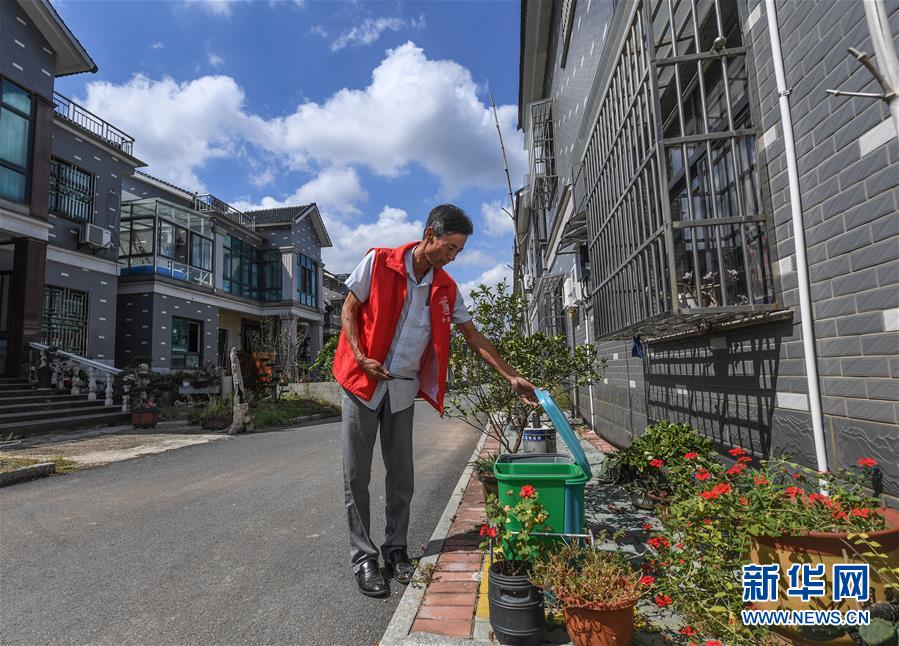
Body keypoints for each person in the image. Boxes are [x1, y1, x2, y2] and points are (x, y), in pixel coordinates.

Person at [333, 204, 538, 597]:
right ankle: (363, 558)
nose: (452, 257)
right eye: (450, 247)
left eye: (458, 251)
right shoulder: (379, 262)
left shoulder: (446, 288)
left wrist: (511, 376)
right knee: (356, 474)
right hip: (361, 382)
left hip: (402, 389)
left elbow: (474, 337)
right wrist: (359, 356)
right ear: (430, 234)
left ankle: (395, 549)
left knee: (402, 475)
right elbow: (348, 309)